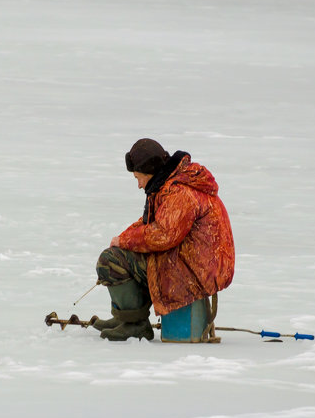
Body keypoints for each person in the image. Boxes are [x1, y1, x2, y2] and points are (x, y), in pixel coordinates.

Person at [93, 139, 235, 341]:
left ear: (149, 171)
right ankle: (125, 318)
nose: (139, 185)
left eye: (138, 178)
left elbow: (163, 235)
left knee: (110, 261)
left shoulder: (179, 192)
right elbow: (151, 223)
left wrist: (123, 243)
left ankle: (135, 324)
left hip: (192, 271)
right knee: (125, 253)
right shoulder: (172, 183)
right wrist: (124, 238)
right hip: (194, 264)